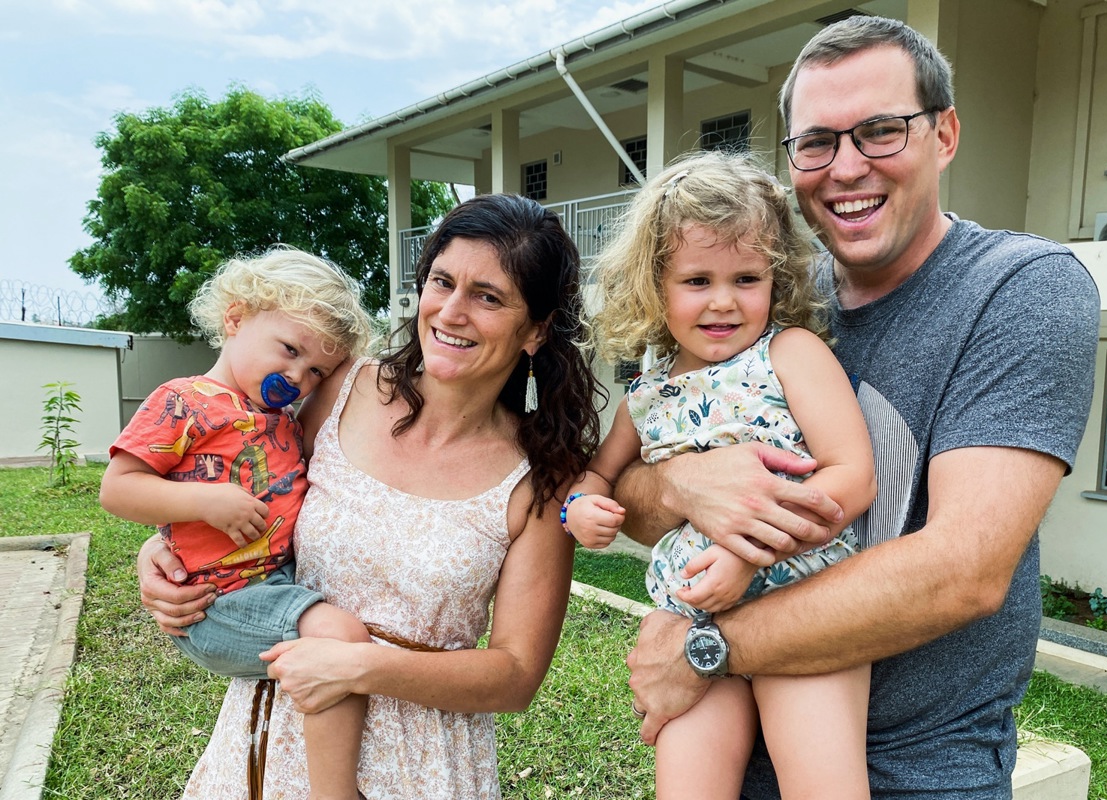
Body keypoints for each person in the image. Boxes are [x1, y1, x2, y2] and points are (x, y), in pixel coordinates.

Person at [621, 16, 1101, 799]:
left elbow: (963, 572)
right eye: (816, 143)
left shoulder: (1021, 289)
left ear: (944, 134)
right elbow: (638, 497)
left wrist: (706, 648)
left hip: (919, 770)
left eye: (880, 131)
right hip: (737, 750)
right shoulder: (757, 298)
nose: (845, 167)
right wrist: (682, 486)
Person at [135, 194, 602, 799]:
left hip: (420, 763)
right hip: (275, 735)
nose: (451, 312)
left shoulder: (541, 480)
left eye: (488, 297)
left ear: (535, 330)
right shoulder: (338, 389)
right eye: (442, 282)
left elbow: (515, 677)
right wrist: (160, 552)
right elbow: (245, 487)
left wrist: (358, 665)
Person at [565, 151, 876, 799]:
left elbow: (853, 477)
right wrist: (581, 512)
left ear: (776, 277)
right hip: (691, 629)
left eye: (746, 278)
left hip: (803, 612)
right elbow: (596, 477)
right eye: (697, 280)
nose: (724, 302)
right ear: (655, 284)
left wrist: (744, 554)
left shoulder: (790, 354)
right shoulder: (646, 393)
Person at [101, 247, 376, 800]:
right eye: (290, 350)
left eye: (315, 370)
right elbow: (118, 488)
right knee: (341, 638)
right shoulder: (182, 401)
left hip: (271, 584)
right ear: (235, 318)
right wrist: (207, 503)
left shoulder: (280, 418)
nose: (297, 376)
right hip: (222, 600)